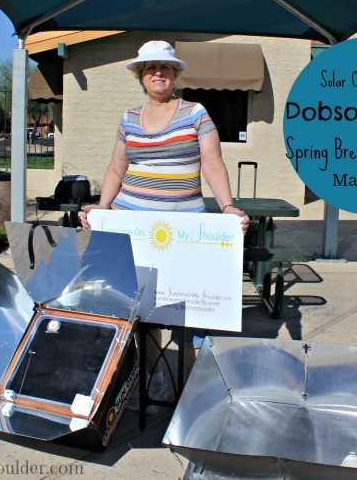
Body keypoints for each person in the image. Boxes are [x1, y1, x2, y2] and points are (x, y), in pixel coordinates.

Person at [79, 40, 249, 413]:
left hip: (184, 230)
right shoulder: (128, 118)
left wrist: (228, 206)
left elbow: (213, 163)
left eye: (166, 68)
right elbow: (116, 168)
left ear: (175, 75)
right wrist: (102, 208)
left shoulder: (195, 113)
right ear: (141, 75)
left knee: (188, 310)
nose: (159, 73)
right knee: (146, 305)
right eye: (151, 68)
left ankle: (190, 385)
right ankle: (155, 375)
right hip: (133, 226)